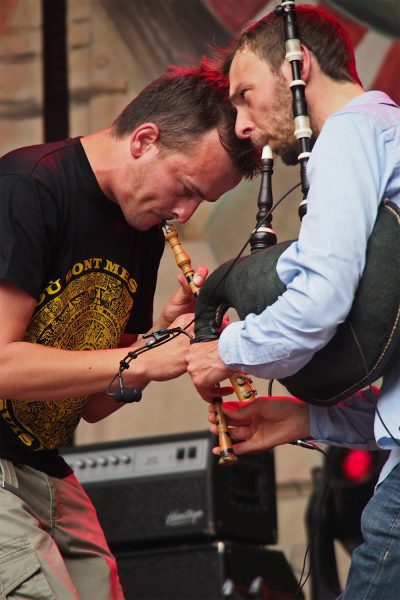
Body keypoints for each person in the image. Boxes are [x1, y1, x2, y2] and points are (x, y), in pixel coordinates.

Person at [0, 60, 257, 600]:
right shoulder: (28, 187)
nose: (183, 213)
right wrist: (137, 359)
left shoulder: (141, 226)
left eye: (200, 202)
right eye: (185, 187)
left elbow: (92, 404)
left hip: (39, 465)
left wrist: (160, 340)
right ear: (144, 140)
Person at [187, 5, 400, 599]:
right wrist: (307, 418)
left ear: (295, 63)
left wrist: (223, 352)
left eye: (245, 95)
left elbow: (320, 299)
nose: (243, 124)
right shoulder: (389, 132)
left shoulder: (350, 134)